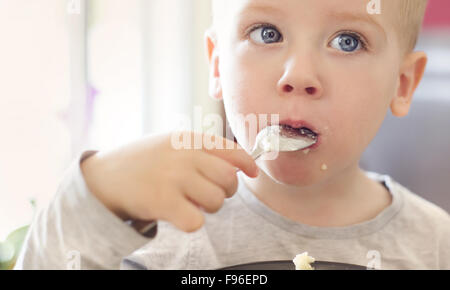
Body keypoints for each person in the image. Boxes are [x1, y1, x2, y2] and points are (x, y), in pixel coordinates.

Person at [15, 0, 449, 270]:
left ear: (402, 83)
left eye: (348, 41)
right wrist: (95, 195)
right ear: (218, 65)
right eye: (267, 33)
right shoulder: (162, 235)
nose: (298, 74)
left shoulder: (436, 248)